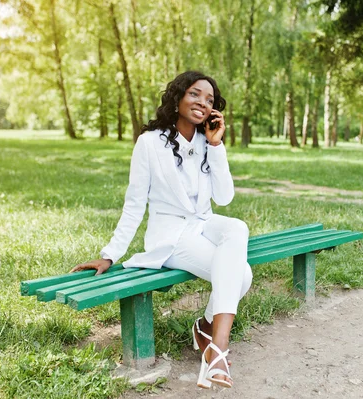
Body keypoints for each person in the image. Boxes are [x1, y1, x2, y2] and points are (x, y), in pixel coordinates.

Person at [71, 71, 252, 389]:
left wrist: (216, 144)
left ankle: (209, 333)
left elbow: (224, 198)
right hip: (171, 236)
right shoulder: (149, 143)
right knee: (242, 275)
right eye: (195, 94)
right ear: (179, 96)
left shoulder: (205, 141)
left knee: (237, 229)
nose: (202, 103)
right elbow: (133, 204)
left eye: (209, 99)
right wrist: (110, 255)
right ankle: (217, 346)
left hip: (203, 224)